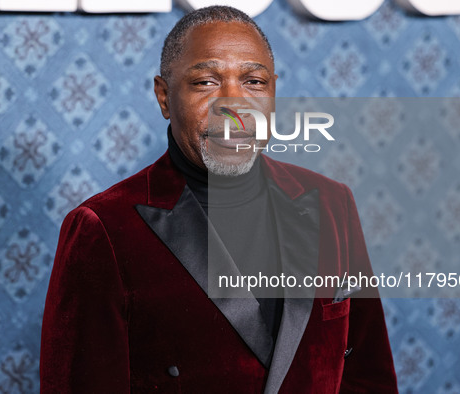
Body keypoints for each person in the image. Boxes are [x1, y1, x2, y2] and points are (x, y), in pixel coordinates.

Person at [40, 6, 398, 393]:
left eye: (254, 82)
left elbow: (368, 377)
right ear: (164, 97)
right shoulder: (103, 228)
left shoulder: (331, 203)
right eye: (207, 82)